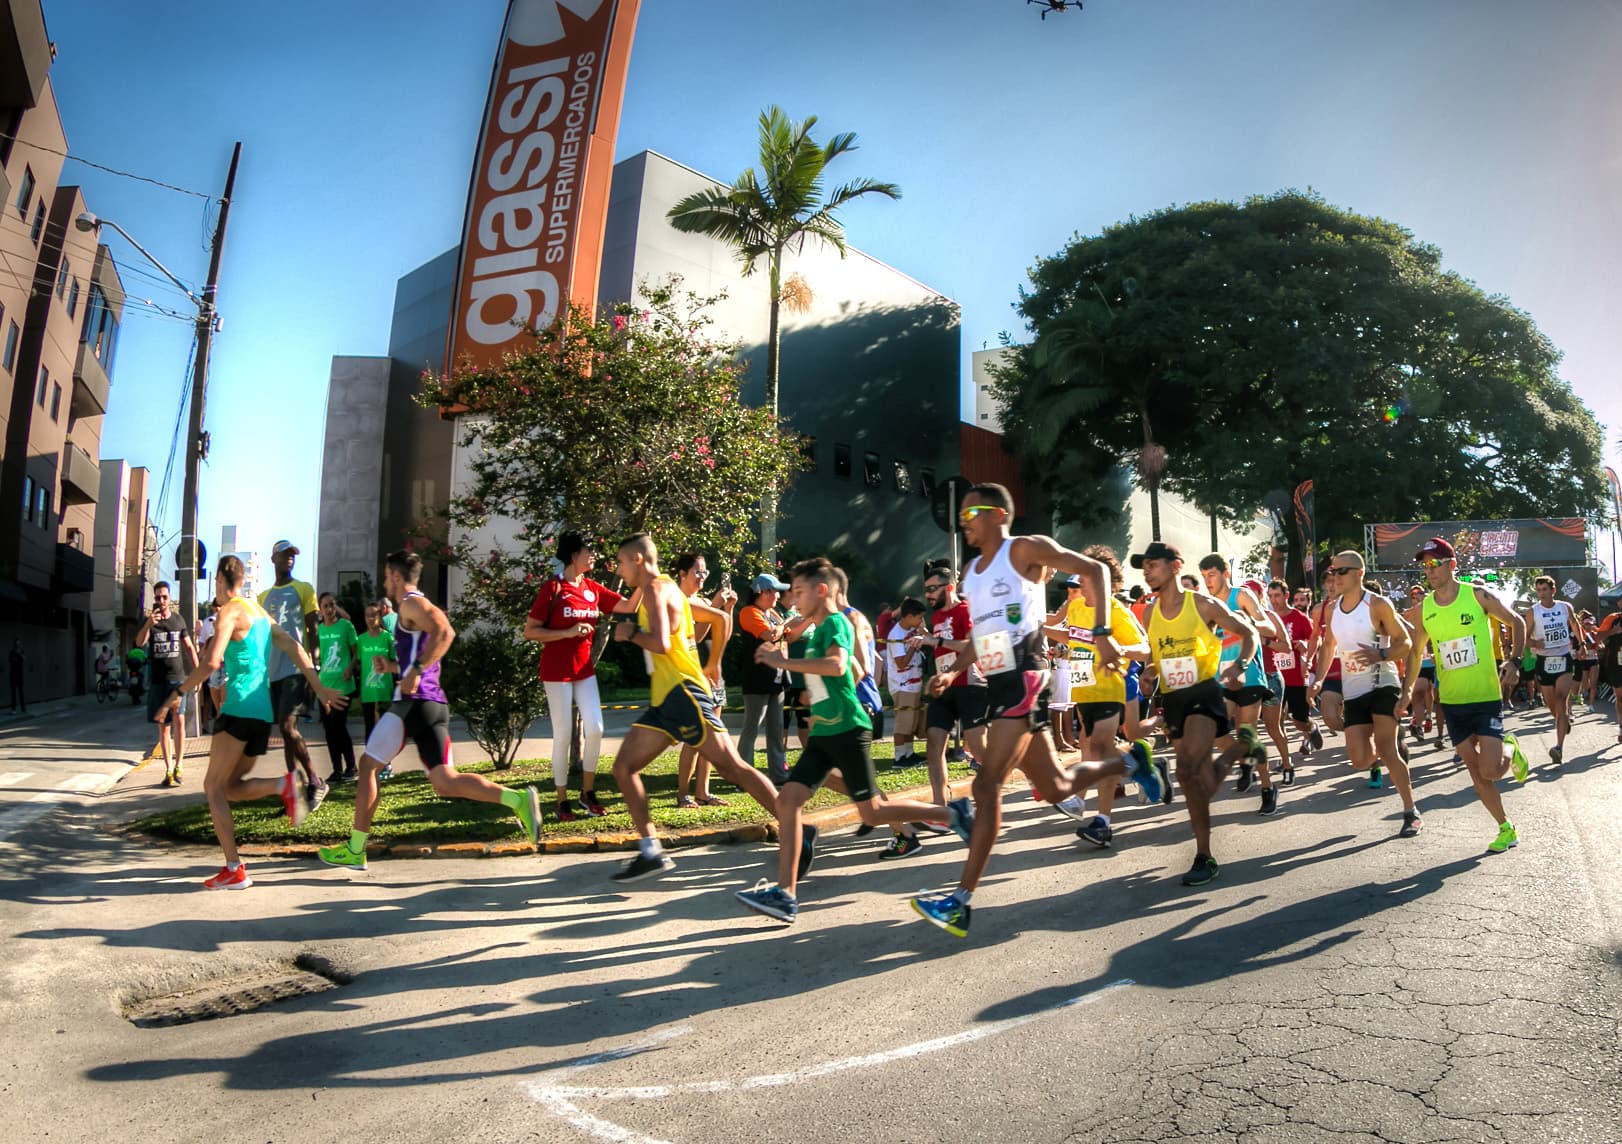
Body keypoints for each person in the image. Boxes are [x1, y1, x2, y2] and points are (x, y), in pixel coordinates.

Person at [910, 485, 1161, 937]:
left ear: (998, 513)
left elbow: (1094, 572)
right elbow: (984, 636)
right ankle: (1129, 760)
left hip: (1026, 676)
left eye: (972, 512)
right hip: (997, 680)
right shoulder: (971, 571)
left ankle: (960, 902)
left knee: (987, 785)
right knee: (1057, 784)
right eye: (962, 514)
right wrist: (954, 671)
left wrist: (1102, 632)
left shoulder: (1025, 548)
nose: (964, 520)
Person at [735, 557, 973, 924]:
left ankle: (951, 813)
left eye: (799, 591)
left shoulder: (835, 624)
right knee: (788, 803)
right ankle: (785, 895)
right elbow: (843, 673)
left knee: (872, 811)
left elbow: (837, 665)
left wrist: (783, 663)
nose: (793, 599)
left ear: (822, 590)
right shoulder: (816, 625)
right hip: (825, 729)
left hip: (847, 729)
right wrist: (814, 699)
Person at [319, 550, 541, 870]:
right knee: (445, 781)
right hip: (433, 705)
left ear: (397, 576)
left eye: (386, 576)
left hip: (413, 703)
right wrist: (394, 667)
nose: (384, 582)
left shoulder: (412, 603)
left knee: (367, 765)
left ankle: (355, 849)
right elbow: (421, 650)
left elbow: (445, 632)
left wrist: (416, 670)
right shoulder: (411, 608)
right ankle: (517, 799)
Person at [606, 533, 800, 883]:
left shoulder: (654, 591)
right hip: (667, 700)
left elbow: (663, 644)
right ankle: (650, 852)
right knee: (624, 767)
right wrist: (711, 665)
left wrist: (629, 634)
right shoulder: (670, 590)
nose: (620, 571)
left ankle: (796, 829)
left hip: (682, 694)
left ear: (637, 560)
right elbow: (720, 620)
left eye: (621, 562)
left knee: (733, 768)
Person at [165, 555, 348, 890]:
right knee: (230, 787)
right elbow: (295, 646)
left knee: (212, 787)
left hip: (237, 707)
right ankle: (284, 785)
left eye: (216, 583)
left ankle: (234, 869)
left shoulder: (229, 611)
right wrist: (319, 687)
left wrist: (180, 690)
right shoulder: (261, 614)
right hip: (263, 714)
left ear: (221, 579)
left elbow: (212, 662)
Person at [1134, 541, 1263, 886]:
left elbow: (1248, 632)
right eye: (1143, 567)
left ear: (1175, 566)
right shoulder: (1149, 613)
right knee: (1192, 781)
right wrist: (1150, 674)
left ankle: (1203, 855)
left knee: (1189, 768)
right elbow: (1157, 657)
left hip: (1205, 693)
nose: (1146, 572)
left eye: (1153, 565)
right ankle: (1238, 749)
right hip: (1173, 698)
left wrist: (1240, 665)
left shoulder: (1203, 604)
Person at [1399, 537, 1530, 853]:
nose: (1428, 571)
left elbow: (1517, 621)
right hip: (1453, 702)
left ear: (1451, 564)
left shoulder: (1477, 595)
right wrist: (1405, 689)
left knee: (1492, 769)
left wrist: (1514, 660)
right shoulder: (1425, 609)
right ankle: (1505, 827)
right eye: (1424, 565)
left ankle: (1510, 750)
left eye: (1434, 564)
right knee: (1476, 773)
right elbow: (1415, 651)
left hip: (1484, 697)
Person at [1312, 551, 1421, 834]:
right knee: (1359, 759)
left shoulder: (1377, 604)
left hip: (1383, 682)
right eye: (1332, 572)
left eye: (1341, 571)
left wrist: (1380, 653)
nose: (1334, 577)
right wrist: (1318, 681)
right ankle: (1384, 751)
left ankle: (1411, 812)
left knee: (1387, 749)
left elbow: (1405, 642)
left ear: (1359, 573)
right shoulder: (1331, 610)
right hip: (1354, 690)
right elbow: (1328, 646)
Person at [523, 531, 628, 821]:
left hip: (584, 671)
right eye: (588, 550)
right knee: (563, 735)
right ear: (573, 555)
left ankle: (587, 793)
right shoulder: (553, 588)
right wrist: (567, 632)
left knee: (595, 728)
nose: (593, 555)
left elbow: (630, 607)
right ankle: (561, 800)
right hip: (556, 672)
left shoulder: (592, 588)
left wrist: (645, 576)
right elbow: (530, 631)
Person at [1049, 555, 1152, 848]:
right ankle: (1135, 762)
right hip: (1084, 690)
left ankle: (1100, 820)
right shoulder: (1077, 607)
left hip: (1109, 687)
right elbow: (1071, 635)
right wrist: (1039, 628)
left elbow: (1144, 649)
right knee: (1092, 747)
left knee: (1101, 750)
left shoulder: (1117, 612)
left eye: (1085, 572)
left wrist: (1120, 647)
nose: (1079, 578)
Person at [1197, 556, 1279, 813]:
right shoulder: (1205, 604)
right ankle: (1245, 760)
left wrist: (1247, 622)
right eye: (1203, 576)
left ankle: (1267, 788)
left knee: (1248, 733)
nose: (1207, 581)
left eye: (1211, 574)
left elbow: (1268, 626)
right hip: (1221, 677)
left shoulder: (1241, 596)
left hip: (1249, 675)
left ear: (1225, 573)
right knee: (1216, 729)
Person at [257, 541, 327, 810]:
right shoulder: (263, 597)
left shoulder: (304, 589)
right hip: (274, 672)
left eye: (292, 556)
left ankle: (314, 781)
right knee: (287, 732)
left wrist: (315, 669)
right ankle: (294, 790)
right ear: (273, 558)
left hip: (298, 668)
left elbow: (313, 631)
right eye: (284, 555)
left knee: (287, 726)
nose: (289, 559)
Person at [670, 552, 738, 808]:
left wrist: (726, 609)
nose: (702, 577)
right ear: (682, 574)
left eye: (705, 572)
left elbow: (723, 635)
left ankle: (703, 791)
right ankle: (683, 794)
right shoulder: (677, 600)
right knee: (694, 736)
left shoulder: (704, 601)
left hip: (712, 675)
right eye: (697, 572)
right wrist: (716, 607)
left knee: (711, 736)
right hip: (689, 676)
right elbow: (696, 637)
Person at [917, 565, 988, 808]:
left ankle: (993, 790)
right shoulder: (936, 616)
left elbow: (971, 646)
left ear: (948, 587)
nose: (927, 595)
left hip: (970, 683)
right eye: (926, 589)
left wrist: (936, 640)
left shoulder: (965, 610)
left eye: (932, 589)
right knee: (934, 744)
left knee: (978, 748)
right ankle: (940, 807)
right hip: (943, 686)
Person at [135, 581, 197, 787]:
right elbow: (138, 643)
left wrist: (197, 674)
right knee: (163, 727)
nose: (161, 601)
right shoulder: (151, 623)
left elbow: (189, 647)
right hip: (158, 682)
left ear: (170, 598)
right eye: (158, 597)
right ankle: (168, 770)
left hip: (177, 680)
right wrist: (147, 625)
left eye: (164, 597)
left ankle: (179, 766)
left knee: (179, 722)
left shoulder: (179, 621)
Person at [1521, 575, 1585, 765]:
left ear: (1553, 590)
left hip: (1564, 658)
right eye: (1539, 590)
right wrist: (1534, 642)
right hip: (1544, 660)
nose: (1542, 594)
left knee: (1560, 700)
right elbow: (1523, 638)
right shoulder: (1534, 611)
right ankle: (1562, 721)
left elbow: (1574, 623)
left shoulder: (1565, 607)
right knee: (1552, 706)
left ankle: (1558, 747)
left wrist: (1582, 644)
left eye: (1545, 590)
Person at [735, 573, 792, 784]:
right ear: (762, 592)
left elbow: (790, 635)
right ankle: (744, 777)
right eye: (774, 591)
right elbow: (770, 635)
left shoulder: (774, 614)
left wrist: (807, 620)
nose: (778, 595)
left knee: (776, 730)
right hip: (757, 678)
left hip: (777, 678)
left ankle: (779, 774)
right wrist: (787, 621)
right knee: (751, 729)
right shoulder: (749, 612)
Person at [1268, 580, 1318, 773]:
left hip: (1296, 677)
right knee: (1277, 721)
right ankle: (1285, 759)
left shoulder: (1298, 617)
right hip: (1275, 676)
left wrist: (1306, 646)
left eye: (1277, 596)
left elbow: (1317, 639)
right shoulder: (1267, 618)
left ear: (1286, 596)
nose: (1274, 600)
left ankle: (1311, 728)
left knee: (1299, 720)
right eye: (1271, 596)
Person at [315, 592, 360, 782]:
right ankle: (337, 770)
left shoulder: (346, 626)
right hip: (324, 686)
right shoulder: (320, 629)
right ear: (321, 609)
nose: (329, 609)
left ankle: (351, 766)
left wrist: (350, 667)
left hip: (343, 686)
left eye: (332, 605)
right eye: (325, 606)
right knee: (328, 730)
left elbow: (357, 651)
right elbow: (319, 652)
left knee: (338, 726)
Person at [885, 598, 930, 765]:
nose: (920, 621)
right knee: (902, 722)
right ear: (909, 616)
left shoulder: (913, 629)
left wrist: (922, 630)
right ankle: (899, 757)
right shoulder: (895, 635)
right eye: (919, 618)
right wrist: (913, 645)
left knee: (912, 722)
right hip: (902, 684)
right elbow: (901, 663)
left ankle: (909, 753)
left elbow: (930, 638)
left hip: (914, 683)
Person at [355, 604, 395, 748]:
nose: (371, 619)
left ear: (379, 617)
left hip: (385, 691)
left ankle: (386, 765)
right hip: (367, 692)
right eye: (368, 615)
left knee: (385, 729)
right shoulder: (361, 639)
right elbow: (359, 664)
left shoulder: (388, 638)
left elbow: (395, 662)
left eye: (374, 615)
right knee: (370, 728)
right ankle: (370, 763)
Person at [7, 638, 25, 714]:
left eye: (19, 644)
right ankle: (13, 709)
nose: (18, 645)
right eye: (16, 644)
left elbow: (24, 659)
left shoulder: (21, 651)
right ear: (14, 644)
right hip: (13, 675)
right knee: (13, 693)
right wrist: (14, 655)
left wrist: (20, 654)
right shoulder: (12, 652)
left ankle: (23, 708)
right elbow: (10, 660)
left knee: (21, 692)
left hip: (19, 675)